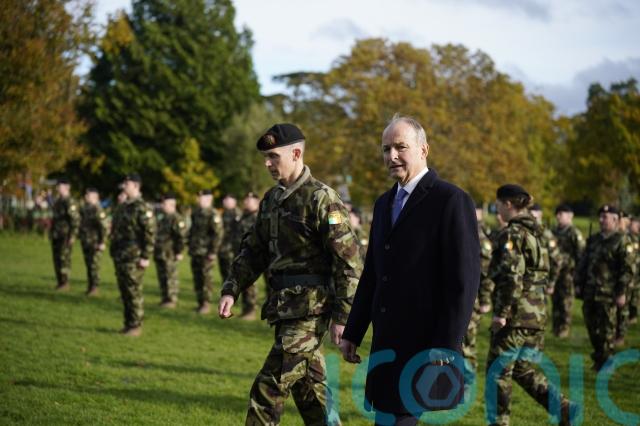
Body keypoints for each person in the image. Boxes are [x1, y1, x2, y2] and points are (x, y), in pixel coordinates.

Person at [218, 123, 362, 425]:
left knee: (267, 390)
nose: (267, 164)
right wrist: (232, 289)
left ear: (296, 153)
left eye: (274, 156)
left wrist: (343, 317)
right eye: (265, 158)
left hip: (311, 311)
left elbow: (348, 263)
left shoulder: (323, 199)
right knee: (311, 395)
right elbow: (254, 250)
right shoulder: (271, 200)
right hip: (283, 308)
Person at [340, 115, 480, 424]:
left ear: (423, 149)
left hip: (425, 344)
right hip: (387, 344)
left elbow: (464, 281)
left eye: (400, 147)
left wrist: (446, 343)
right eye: (385, 149)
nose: (391, 156)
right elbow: (373, 274)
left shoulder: (451, 200)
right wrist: (353, 331)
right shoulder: (383, 204)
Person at [486, 184, 574, 426]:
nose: (497, 210)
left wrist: (502, 313)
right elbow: (551, 265)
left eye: (498, 205)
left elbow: (512, 276)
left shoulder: (513, 233)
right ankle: (564, 409)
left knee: (497, 371)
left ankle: (499, 423)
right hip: (537, 313)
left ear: (508, 204)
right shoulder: (541, 233)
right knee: (521, 369)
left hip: (516, 315)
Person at [576, 204, 634, 369]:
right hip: (590, 291)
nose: (601, 220)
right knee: (591, 326)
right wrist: (578, 282)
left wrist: (621, 292)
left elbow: (627, 269)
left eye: (605, 217)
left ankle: (606, 361)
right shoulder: (594, 239)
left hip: (609, 293)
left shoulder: (622, 241)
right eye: (600, 217)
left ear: (615, 220)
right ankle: (599, 356)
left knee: (607, 329)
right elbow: (584, 262)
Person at [109, 173, 156, 337]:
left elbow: (149, 233)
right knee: (124, 290)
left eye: (127, 184)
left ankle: (136, 325)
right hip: (121, 254)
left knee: (133, 290)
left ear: (136, 186)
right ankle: (128, 323)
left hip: (135, 256)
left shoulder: (142, 207)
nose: (124, 186)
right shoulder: (124, 206)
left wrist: (146, 256)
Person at [463, 204, 494, 383]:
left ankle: (467, 383)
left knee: (467, 341)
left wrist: (485, 298)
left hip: (470, 299)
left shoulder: (478, 235)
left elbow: (486, 271)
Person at [551, 204, 585, 337]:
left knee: (566, 301)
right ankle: (556, 327)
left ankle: (564, 328)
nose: (558, 216)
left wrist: (577, 274)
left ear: (570, 216)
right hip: (555, 273)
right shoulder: (554, 232)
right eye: (557, 214)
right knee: (555, 300)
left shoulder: (574, 233)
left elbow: (581, 254)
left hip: (569, 273)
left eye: (561, 214)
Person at [188, 189, 223, 314]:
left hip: (206, 252)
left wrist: (213, 251)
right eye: (198, 197)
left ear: (209, 199)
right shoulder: (196, 212)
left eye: (201, 197)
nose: (198, 199)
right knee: (197, 278)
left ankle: (206, 303)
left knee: (206, 278)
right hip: (195, 250)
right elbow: (192, 231)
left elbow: (218, 234)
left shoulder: (213, 214)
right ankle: (200, 302)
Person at [231, 191, 261, 320]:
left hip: (253, 254)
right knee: (242, 281)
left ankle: (251, 310)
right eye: (245, 200)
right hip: (241, 254)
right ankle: (245, 309)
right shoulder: (243, 216)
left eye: (249, 200)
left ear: (257, 202)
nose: (246, 202)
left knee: (250, 283)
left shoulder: (258, 217)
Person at [154, 192, 187, 308]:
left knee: (170, 276)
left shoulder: (176, 218)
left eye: (165, 204)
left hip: (170, 252)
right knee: (162, 276)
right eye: (163, 203)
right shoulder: (162, 217)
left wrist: (179, 251)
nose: (163, 206)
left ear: (172, 204)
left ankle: (171, 299)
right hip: (160, 252)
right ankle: (165, 298)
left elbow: (181, 237)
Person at [50, 178, 80, 291]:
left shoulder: (70, 201)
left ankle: (65, 282)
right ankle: (60, 282)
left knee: (64, 258)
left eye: (60, 186)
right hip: (56, 235)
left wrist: (73, 235)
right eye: (58, 186)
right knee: (57, 258)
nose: (58, 188)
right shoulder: (58, 201)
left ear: (67, 187)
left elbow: (75, 220)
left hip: (65, 235)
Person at [79, 188, 108, 296]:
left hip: (95, 243)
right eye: (86, 195)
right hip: (87, 242)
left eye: (88, 195)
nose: (86, 197)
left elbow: (104, 227)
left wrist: (102, 242)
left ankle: (95, 287)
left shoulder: (98, 210)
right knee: (89, 265)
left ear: (95, 197)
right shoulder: (86, 208)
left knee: (94, 266)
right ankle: (90, 287)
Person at [614, 211, 636, 346]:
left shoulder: (628, 238)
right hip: (613, 279)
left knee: (623, 309)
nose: (620, 222)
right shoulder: (615, 237)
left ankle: (620, 335)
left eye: (622, 220)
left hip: (627, 279)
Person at [218, 194, 241, 282]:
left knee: (233, 273)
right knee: (224, 273)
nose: (226, 202)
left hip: (233, 249)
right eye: (225, 200)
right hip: (222, 248)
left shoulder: (238, 214)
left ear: (234, 202)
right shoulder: (222, 213)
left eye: (228, 200)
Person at [629, 216, 640, 324]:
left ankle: (633, 315)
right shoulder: (627, 238)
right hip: (631, 270)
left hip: (637, 272)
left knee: (635, 294)